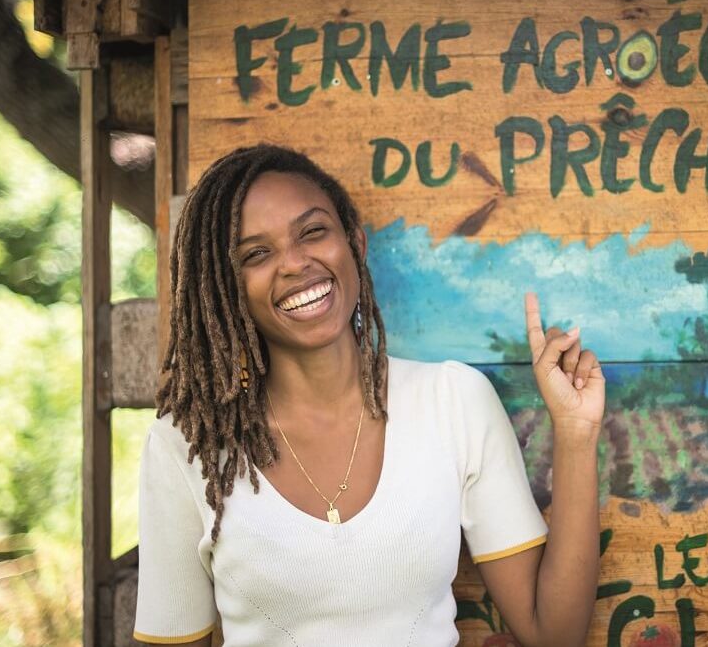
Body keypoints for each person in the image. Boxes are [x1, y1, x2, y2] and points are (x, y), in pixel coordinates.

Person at [132, 144, 604, 647]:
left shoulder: (453, 400)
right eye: (256, 254)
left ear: (354, 244)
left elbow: (554, 634)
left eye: (312, 231)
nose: (294, 263)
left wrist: (576, 434)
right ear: (227, 287)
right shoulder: (186, 448)